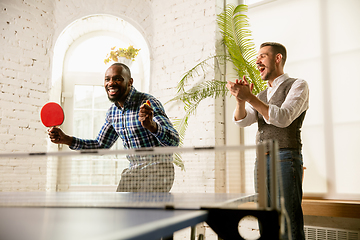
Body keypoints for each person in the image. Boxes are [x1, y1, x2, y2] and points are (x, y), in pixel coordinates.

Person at [49, 63, 180, 192]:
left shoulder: (147, 103)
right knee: (118, 209)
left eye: (117, 78)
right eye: (107, 79)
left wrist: (152, 126)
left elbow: (174, 141)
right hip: (134, 172)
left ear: (130, 82)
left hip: (158, 171)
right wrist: (66, 139)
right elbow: (100, 145)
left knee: (141, 211)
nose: (111, 83)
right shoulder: (113, 113)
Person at [226, 42, 309, 240]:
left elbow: (283, 117)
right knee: (265, 219)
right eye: (258, 57)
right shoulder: (263, 95)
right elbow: (243, 121)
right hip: (261, 161)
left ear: (277, 58)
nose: (257, 60)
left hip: (286, 157)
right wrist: (241, 101)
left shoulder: (298, 85)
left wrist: (250, 97)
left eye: (263, 56)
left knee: (289, 220)